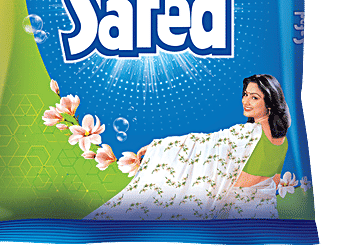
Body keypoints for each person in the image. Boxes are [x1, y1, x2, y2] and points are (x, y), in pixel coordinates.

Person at [85, 74, 290, 220]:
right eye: (245, 94)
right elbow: (275, 180)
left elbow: (202, 143)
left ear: (269, 103)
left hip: (239, 213)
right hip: (266, 213)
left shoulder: (248, 133)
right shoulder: (283, 140)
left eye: (255, 97)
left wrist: (157, 147)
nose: (246, 101)